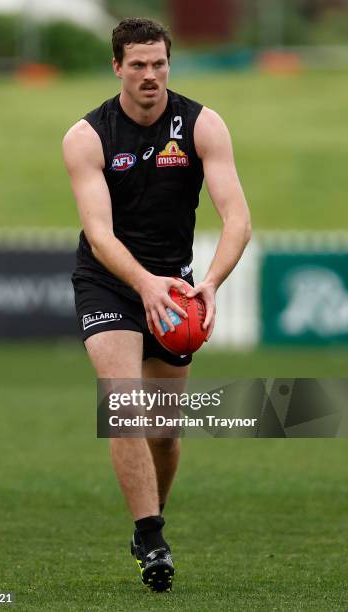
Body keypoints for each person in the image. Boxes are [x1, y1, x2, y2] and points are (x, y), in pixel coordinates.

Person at [63, 17, 251, 593]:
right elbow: (99, 235)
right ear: (117, 66)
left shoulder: (202, 124)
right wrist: (143, 284)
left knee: (165, 433)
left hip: (176, 289)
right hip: (109, 281)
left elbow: (237, 220)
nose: (150, 75)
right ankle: (151, 539)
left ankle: (153, 515)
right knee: (124, 408)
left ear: (170, 64)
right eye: (138, 64)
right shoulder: (88, 136)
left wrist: (211, 282)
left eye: (159, 64)